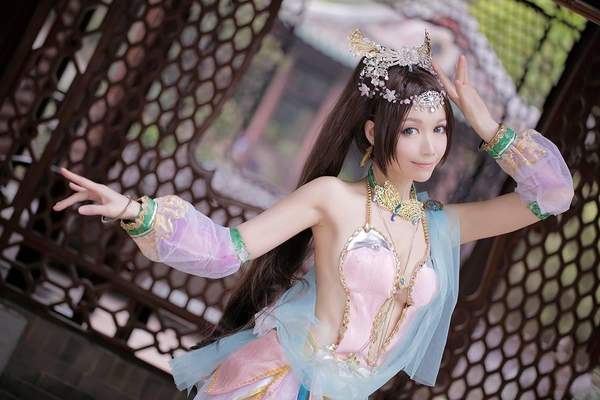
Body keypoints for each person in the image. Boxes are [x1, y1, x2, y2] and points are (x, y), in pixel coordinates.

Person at [52, 28, 574, 399]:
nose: (430, 146)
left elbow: (550, 197)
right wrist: (133, 211)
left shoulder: (440, 224)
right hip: (280, 382)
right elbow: (227, 250)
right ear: (373, 132)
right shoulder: (332, 197)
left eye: (439, 129)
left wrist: (487, 126)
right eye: (411, 130)